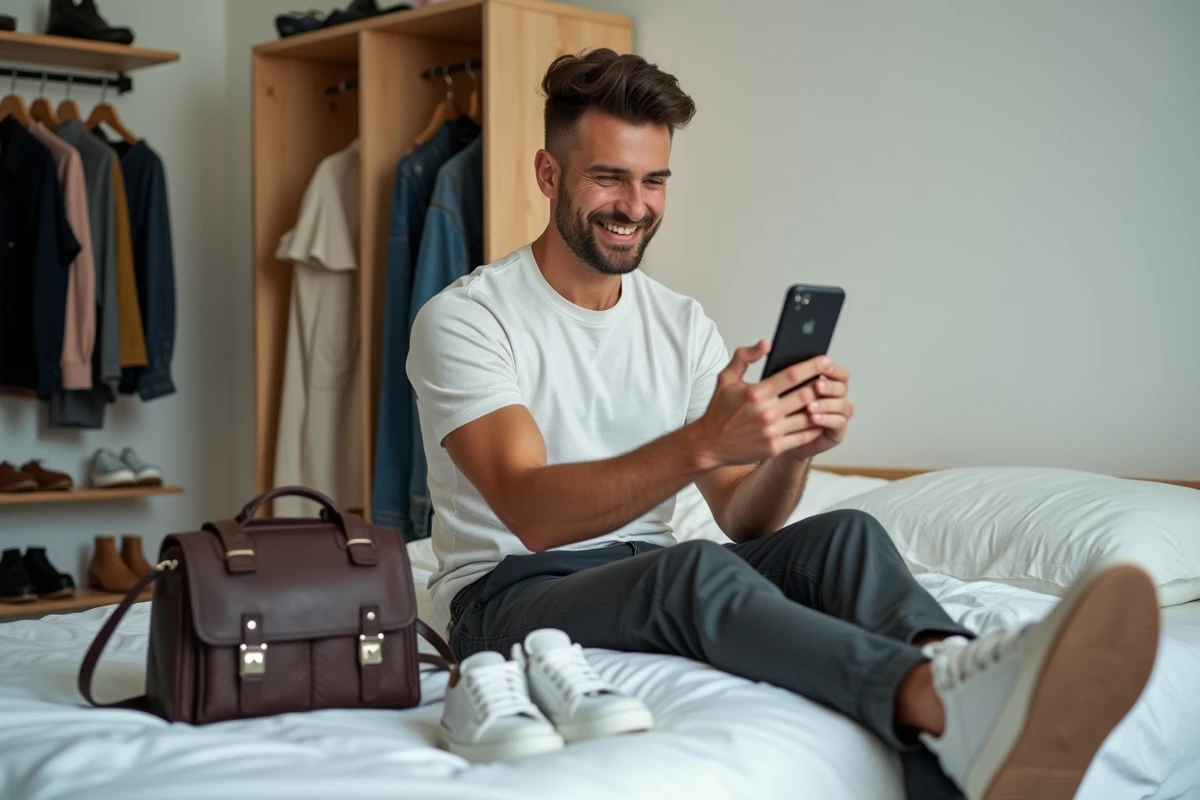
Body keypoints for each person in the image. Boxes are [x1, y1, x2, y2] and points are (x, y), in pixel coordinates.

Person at [406, 48, 1159, 800]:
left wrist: (787, 450)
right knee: (691, 571)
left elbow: (743, 518)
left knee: (847, 535)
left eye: (654, 181)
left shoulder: (680, 324)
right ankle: (930, 699)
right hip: (508, 597)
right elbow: (532, 512)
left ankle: (962, 673)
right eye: (609, 177)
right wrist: (703, 441)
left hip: (640, 571)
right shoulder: (469, 319)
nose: (634, 206)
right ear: (549, 175)